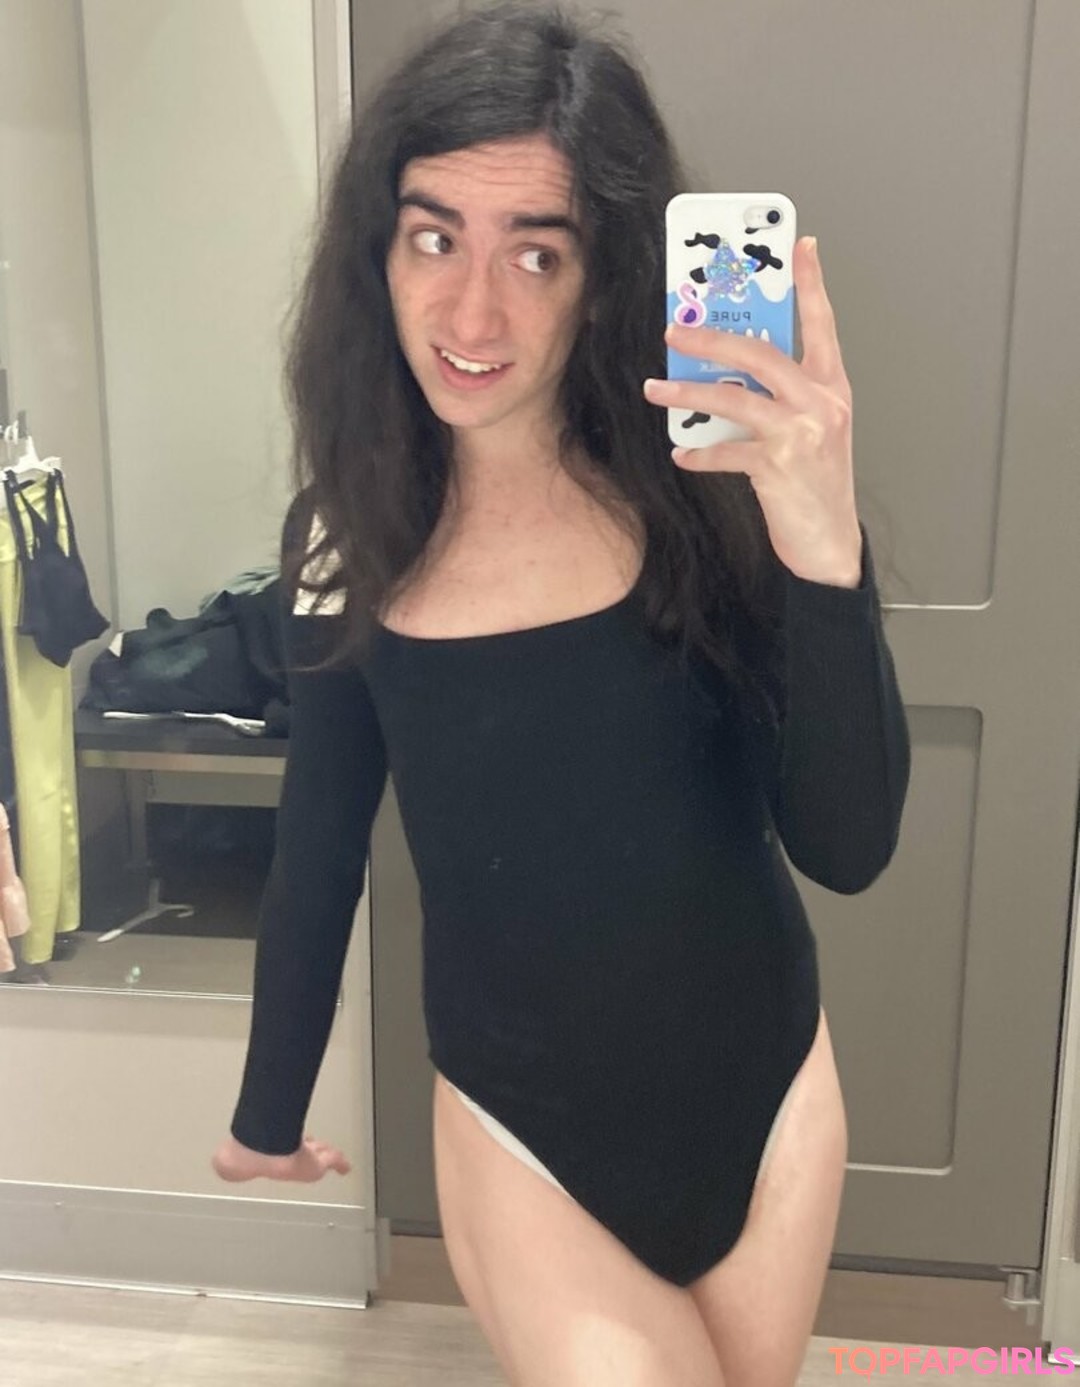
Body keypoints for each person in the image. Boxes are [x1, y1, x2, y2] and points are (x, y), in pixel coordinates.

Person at [211, 3, 911, 1383]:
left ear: (605, 273)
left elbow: (847, 844)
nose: (473, 313)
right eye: (435, 239)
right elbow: (320, 843)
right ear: (378, 251)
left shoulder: (710, 497)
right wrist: (267, 1107)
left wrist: (824, 542)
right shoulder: (349, 540)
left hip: (765, 1096)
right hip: (523, 1125)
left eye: (537, 253)